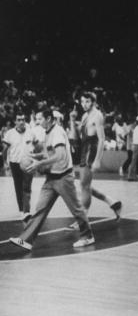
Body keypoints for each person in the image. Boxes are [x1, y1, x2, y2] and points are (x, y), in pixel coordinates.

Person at [8, 109, 95, 251]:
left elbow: (60, 155)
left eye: (40, 119)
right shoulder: (47, 132)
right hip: (51, 178)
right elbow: (48, 153)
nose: (38, 122)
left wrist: (39, 164)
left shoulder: (57, 132)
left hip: (63, 177)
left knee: (76, 209)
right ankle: (26, 240)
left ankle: (88, 236)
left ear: (48, 119)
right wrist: (35, 157)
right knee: (40, 209)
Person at [78, 91, 122, 218]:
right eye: (82, 101)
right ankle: (112, 202)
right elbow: (82, 136)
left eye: (87, 101)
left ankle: (83, 218)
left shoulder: (97, 116)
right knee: (84, 185)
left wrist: (97, 160)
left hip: (91, 151)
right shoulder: (84, 116)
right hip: (84, 149)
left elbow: (101, 139)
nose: (84, 104)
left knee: (84, 185)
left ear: (93, 102)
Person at [2, 109, 35, 222]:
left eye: (23, 120)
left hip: (27, 162)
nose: (21, 122)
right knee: (18, 186)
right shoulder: (9, 134)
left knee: (27, 187)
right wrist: (5, 163)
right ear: (15, 121)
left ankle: (26, 210)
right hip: (14, 163)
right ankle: (21, 209)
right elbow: (5, 149)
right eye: (19, 120)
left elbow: (37, 146)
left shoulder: (30, 132)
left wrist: (36, 160)